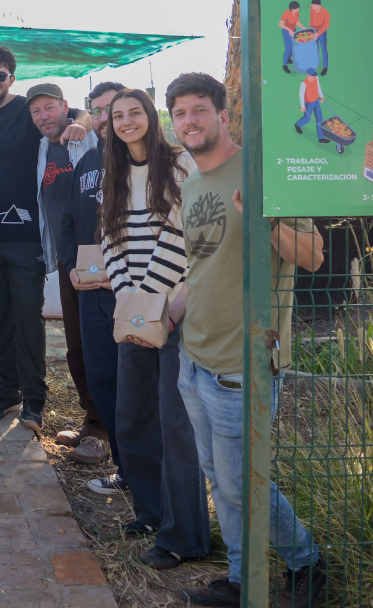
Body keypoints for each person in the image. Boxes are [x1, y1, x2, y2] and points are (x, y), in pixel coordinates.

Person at [167, 72, 326, 607]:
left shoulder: (261, 173)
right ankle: (241, 580)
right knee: (219, 478)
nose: (189, 120)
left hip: (244, 362)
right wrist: (166, 315)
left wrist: (261, 219)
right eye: (180, 112)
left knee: (243, 484)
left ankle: (307, 562)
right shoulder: (190, 183)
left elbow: (312, 256)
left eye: (198, 110)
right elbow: (201, 263)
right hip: (194, 356)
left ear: (222, 114)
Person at [99, 88, 210, 570]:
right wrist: (129, 297)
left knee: (174, 424)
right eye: (117, 116)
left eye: (134, 112)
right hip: (134, 311)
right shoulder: (115, 173)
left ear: (151, 116)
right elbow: (110, 238)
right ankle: (150, 513)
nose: (126, 122)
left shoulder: (181, 164)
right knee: (132, 416)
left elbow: (183, 235)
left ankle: (184, 535)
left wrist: (150, 301)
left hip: (174, 311)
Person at [0, 47, 88, 431]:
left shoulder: (28, 112)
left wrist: (84, 119)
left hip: (27, 236)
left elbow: (71, 115)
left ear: (12, 78)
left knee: (29, 317)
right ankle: (6, 390)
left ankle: (34, 399)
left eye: (0, 75)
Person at [58, 81, 129, 489]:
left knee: (132, 378)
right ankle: (121, 463)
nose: (104, 118)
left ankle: (135, 465)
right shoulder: (86, 164)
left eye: (113, 109)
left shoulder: (149, 162)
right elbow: (68, 222)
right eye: (99, 111)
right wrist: (70, 266)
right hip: (88, 285)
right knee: (97, 371)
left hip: (130, 288)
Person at [27, 82, 99, 440]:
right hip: (69, 261)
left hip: (101, 258)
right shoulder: (40, 149)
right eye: (36, 110)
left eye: (50, 108)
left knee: (103, 340)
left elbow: (104, 121)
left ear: (65, 107)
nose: (44, 116)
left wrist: (83, 121)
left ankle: (104, 429)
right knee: (77, 344)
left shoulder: (87, 139)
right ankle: (92, 419)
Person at [295, 68, 326, 143]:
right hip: (308, 103)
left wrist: (321, 96)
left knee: (320, 119)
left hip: (316, 101)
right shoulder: (304, 83)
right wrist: (302, 106)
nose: (313, 77)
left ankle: (321, 138)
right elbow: (301, 95)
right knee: (307, 119)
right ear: (308, 75)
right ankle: (298, 125)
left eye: (314, 75)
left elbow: (318, 87)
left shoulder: (316, 78)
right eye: (312, 76)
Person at [280, 1, 305, 73]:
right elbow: (281, 24)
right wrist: (289, 30)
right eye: (297, 9)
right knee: (288, 47)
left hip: (294, 30)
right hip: (286, 31)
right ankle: (284, 65)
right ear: (292, 9)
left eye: (298, 9)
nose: (298, 10)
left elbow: (297, 22)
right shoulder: (286, 13)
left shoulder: (297, 12)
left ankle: (288, 59)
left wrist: (303, 28)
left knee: (293, 46)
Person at [309, 0, 330, 75]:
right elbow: (311, 20)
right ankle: (314, 66)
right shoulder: (312, 9)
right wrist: (310, 30)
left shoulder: (326, 13)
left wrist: (318, 33)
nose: (313, 7)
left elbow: (326, 25)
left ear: (319, 5)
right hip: (314, 31)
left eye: (314, 6)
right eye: (312, 6)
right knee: (314, 48)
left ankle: (325, 67)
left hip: (322, 32)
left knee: (323, 48)